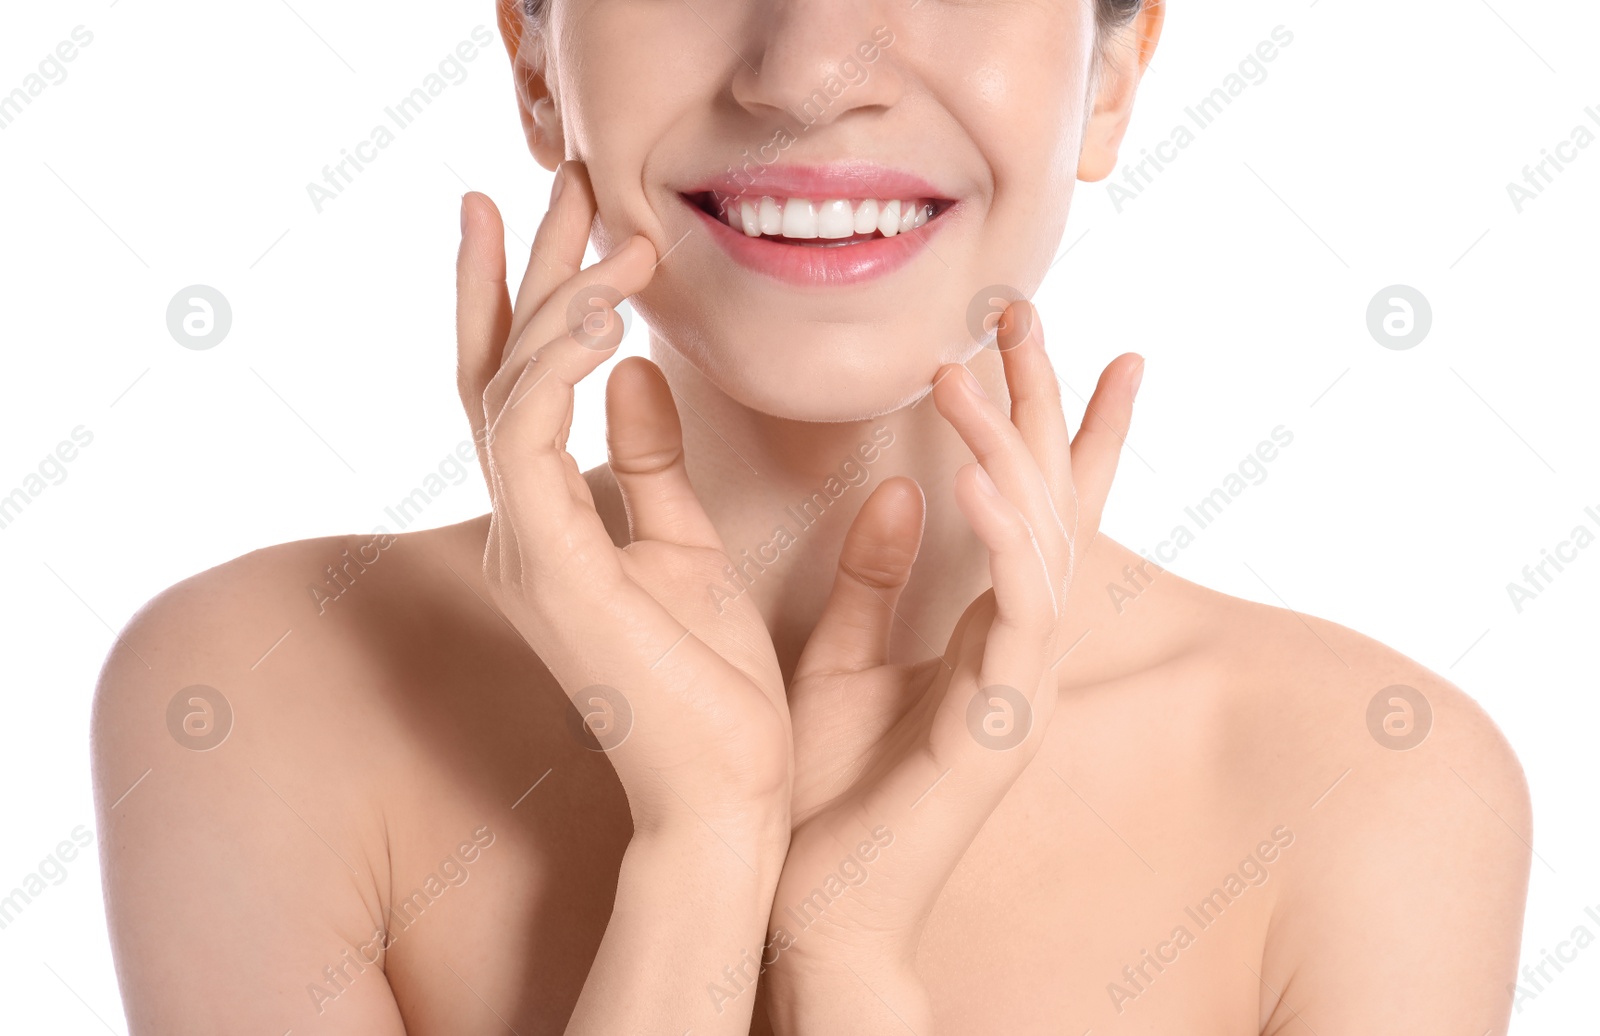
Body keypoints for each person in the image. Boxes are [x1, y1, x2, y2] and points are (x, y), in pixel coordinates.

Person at [91, 0, 1531, 1032]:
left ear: (1110, 75)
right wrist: (702, 861)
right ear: (534, 59)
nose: (808, 69)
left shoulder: (1376, 792)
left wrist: (847, 971)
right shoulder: (257, 696)